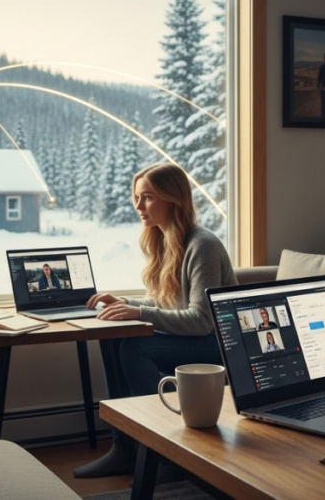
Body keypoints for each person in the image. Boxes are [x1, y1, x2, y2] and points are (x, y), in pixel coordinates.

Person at [74, 163, 237, 478]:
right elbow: (169, 303)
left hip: (221, 345)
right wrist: (127, 303)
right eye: (137, 197)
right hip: (198, 340)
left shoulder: (202, 245)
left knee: (135, 348)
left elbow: (203, 320)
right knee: (112, 338)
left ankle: (167, 451)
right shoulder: (164, 241)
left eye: (147, 197)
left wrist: (139, 313)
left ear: (172, 199)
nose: (138, 206)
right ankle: (123, 448)